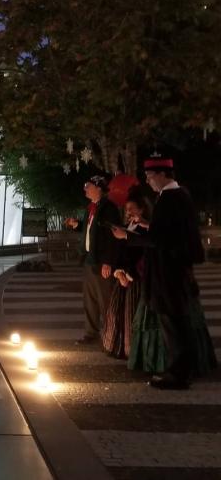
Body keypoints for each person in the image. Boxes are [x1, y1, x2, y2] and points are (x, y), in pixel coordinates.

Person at [112, 156, 217, 389]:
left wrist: (128, 236)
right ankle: (181, 369)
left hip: (168, 272)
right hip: (176, 270)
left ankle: (178, 374)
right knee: (178, 321)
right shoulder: (181, 195)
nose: (148, 182)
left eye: (150, 177)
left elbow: (161, 240)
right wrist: (148, 225)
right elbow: (171, 232)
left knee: (173, 322)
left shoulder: (170, 198)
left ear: (162, 174)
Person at [65, 175, 122, 345]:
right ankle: (91, 333)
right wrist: (78, 225)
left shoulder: (108, 208)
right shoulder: (91, 207)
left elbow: (112, 236)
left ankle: (111, 334)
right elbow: (92, 230)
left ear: (98, 188)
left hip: (101, 261)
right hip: (90, 260)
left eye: (88, 186)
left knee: (105, 300)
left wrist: (108, 262)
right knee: (89, 299)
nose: (85, 189)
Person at [102, 190, 151, 359]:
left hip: (135, 280)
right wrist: (118, 271)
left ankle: (134, 351)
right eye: (126, 209)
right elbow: (120, 253)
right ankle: (119, 346)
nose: (128, 212)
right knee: (117, 315)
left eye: (132, 209)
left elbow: (140, 256)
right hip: (123, 277)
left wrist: (127, 274)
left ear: (142, 210)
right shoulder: (129, 227)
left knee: (132, 317)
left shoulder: (144, 230)